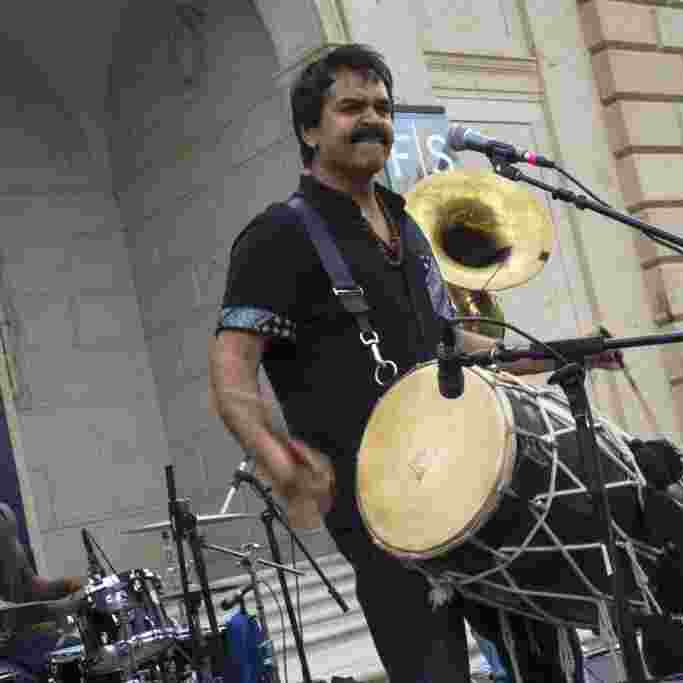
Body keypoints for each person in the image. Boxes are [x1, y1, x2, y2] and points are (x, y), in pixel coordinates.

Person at [208, 44, 619, 682]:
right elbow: (231, 371)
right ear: (309, 130)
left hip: (472, 473)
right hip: (381, 508)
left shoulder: (405, 222)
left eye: (381, 106)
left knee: (547, 664)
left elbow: (447, 339)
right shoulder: (275, 237)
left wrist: (556, 352)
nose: (371, 118)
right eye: (350, 107)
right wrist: (279, 458)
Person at [0, 503, 82, 683]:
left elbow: (32, 587)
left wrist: (68, 585)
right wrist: (66, 607)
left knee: (86, 655)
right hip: (8, 648)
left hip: (22, 641)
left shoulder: (5, 516)